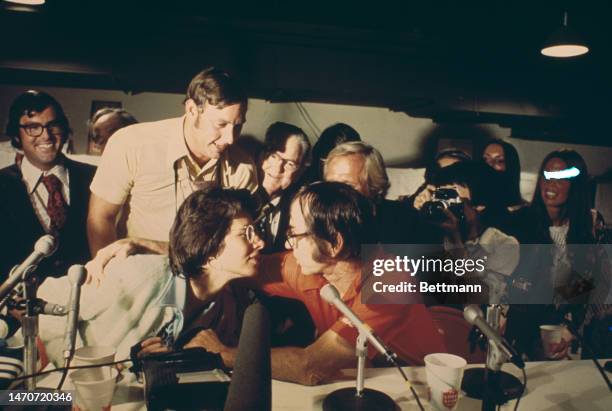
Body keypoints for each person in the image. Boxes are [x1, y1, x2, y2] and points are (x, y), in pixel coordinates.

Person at [190, 182, 446, 385]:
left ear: (334, 244)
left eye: (295, 235)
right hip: (359, 380)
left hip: (422, 387)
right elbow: (236, 264)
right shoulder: (307, 265)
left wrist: (221, 354)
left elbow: (310, 368)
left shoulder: (389, 283)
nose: (289, 245)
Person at [37, 187, 265, 364]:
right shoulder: (140, 273)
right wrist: (77, 368)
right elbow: (46, 299)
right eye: (246, 233)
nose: (260, 242)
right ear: (210, 246)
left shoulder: (223, 312)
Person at [87, 67, 258, 257]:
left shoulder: (243, 167)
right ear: (192, 109)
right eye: (221, 124)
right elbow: (101, 218)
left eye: (238, 125)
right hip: (139, 277)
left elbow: (232, 246)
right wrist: (109, 277)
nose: (230, 138)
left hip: (207, 279)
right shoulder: (131, 144)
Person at [505, 149, 612, 360]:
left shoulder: (589, 225)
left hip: (563, 334)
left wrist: (569, 329)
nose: (550, 184)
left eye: (560, 178)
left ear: (576, 184)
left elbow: (598, 282)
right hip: (519, 334)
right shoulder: (520, 221)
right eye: (546, 176)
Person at [0, 90, 96, 281]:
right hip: (18, 304)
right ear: (16, 134)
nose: (46, 136)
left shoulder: (95, 177)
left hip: (86, 298)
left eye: (53, 125)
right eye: (33, 127)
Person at [412, 161, 520, 303]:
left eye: (452, 194)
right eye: (441, 195)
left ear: (479, 204)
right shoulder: (434, 233)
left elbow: (482, 298)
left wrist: (456, 243)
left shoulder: (504, 244)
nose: (445, 204)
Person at [323, 141, 424, 244]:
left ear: (374, 186)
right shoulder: (317, 223)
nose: (335, 193)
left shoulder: (406, 221)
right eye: (330, 185)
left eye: (348, 186)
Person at [256, 122, 311, 253]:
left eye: (290, 164)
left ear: (299, 173)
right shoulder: (235, 196)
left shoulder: (300, 210)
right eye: (273, 156)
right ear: (260, 155)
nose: (277, 168)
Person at [481, 139, 526, 211]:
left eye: (500, 161)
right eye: (485, 159)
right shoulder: (470, 206)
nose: (490, 164)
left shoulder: (522, 211)